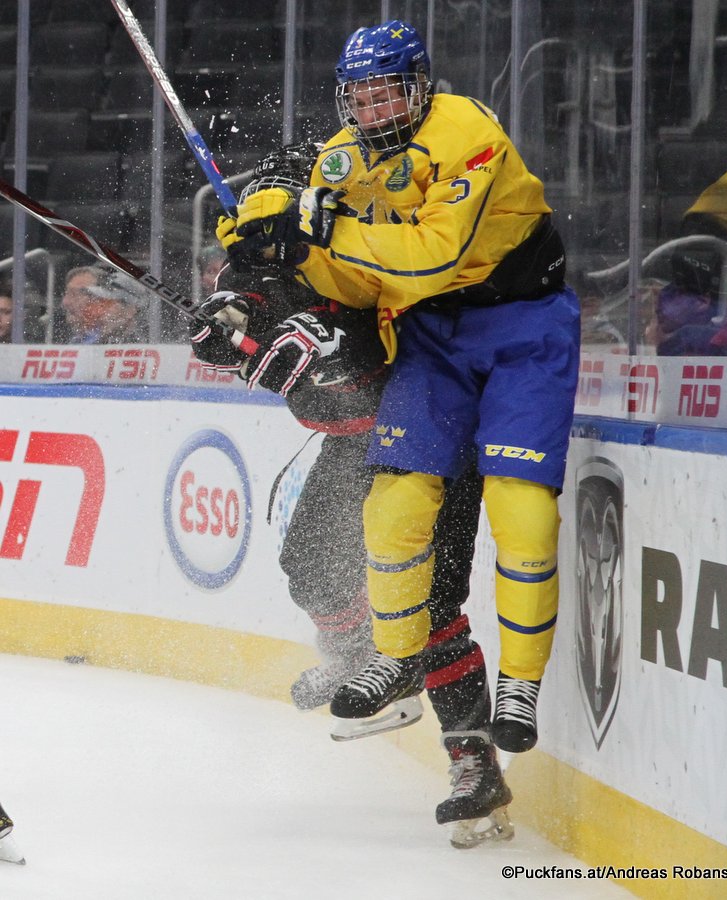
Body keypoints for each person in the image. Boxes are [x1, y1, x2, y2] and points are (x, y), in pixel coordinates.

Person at [218, 19, 579, 773]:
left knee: (473, 558)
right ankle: (377, 661)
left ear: (418, 88)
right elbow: (332, 290)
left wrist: (317, 227)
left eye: (389, 95)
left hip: (490, 342)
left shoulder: (463, 132)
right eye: (362, 98)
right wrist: (258, 270)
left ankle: (478, 741)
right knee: (343, 549)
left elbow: (422, 257)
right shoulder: (345, 163)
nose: (375, 111)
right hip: (420, 361)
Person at [193, 143, 503, 846]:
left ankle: (473, 761)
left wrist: (341, 344)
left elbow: (403, 333)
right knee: (308, 564)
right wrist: (224, 325)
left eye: (285, 218)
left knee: (429, 603)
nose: (272, 238)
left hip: (429, 436)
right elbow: (245, 303)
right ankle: (360, 654)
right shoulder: (258, 264)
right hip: (354, 442)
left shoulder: (371, 248)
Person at [59, 264, 149, 344]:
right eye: (100, 300)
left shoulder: (142, 347)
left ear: (130, 309)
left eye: (108, 302)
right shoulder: (83, 340)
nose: (103, 310)